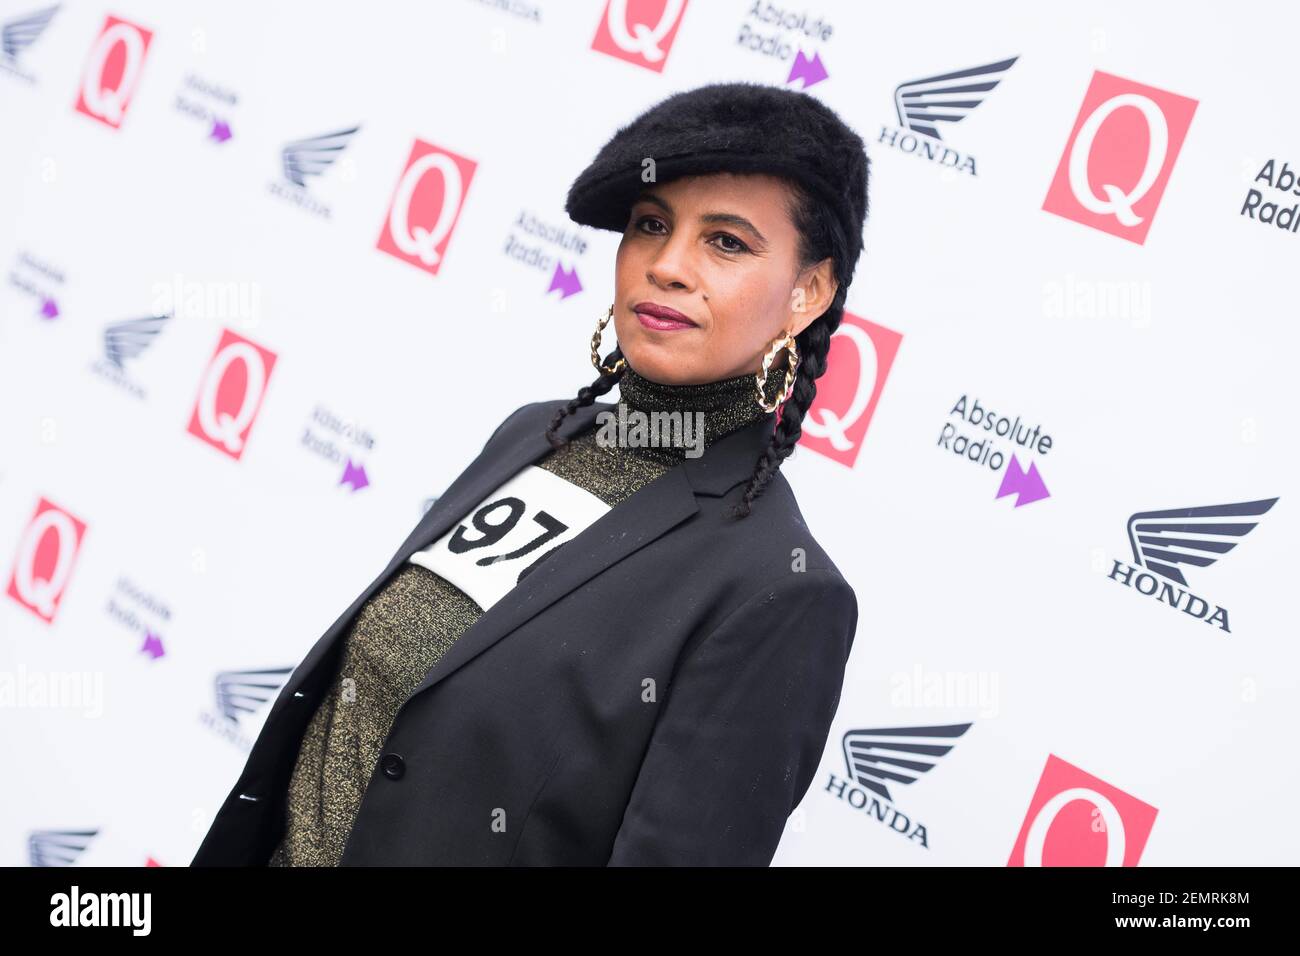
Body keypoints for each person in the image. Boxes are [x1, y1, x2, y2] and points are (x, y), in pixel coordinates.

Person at [191, 80, 870, 867]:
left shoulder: (779, 590)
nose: (670, 266)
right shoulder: (534, 435)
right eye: (652, 226)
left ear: (807, 292)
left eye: (727, 242)